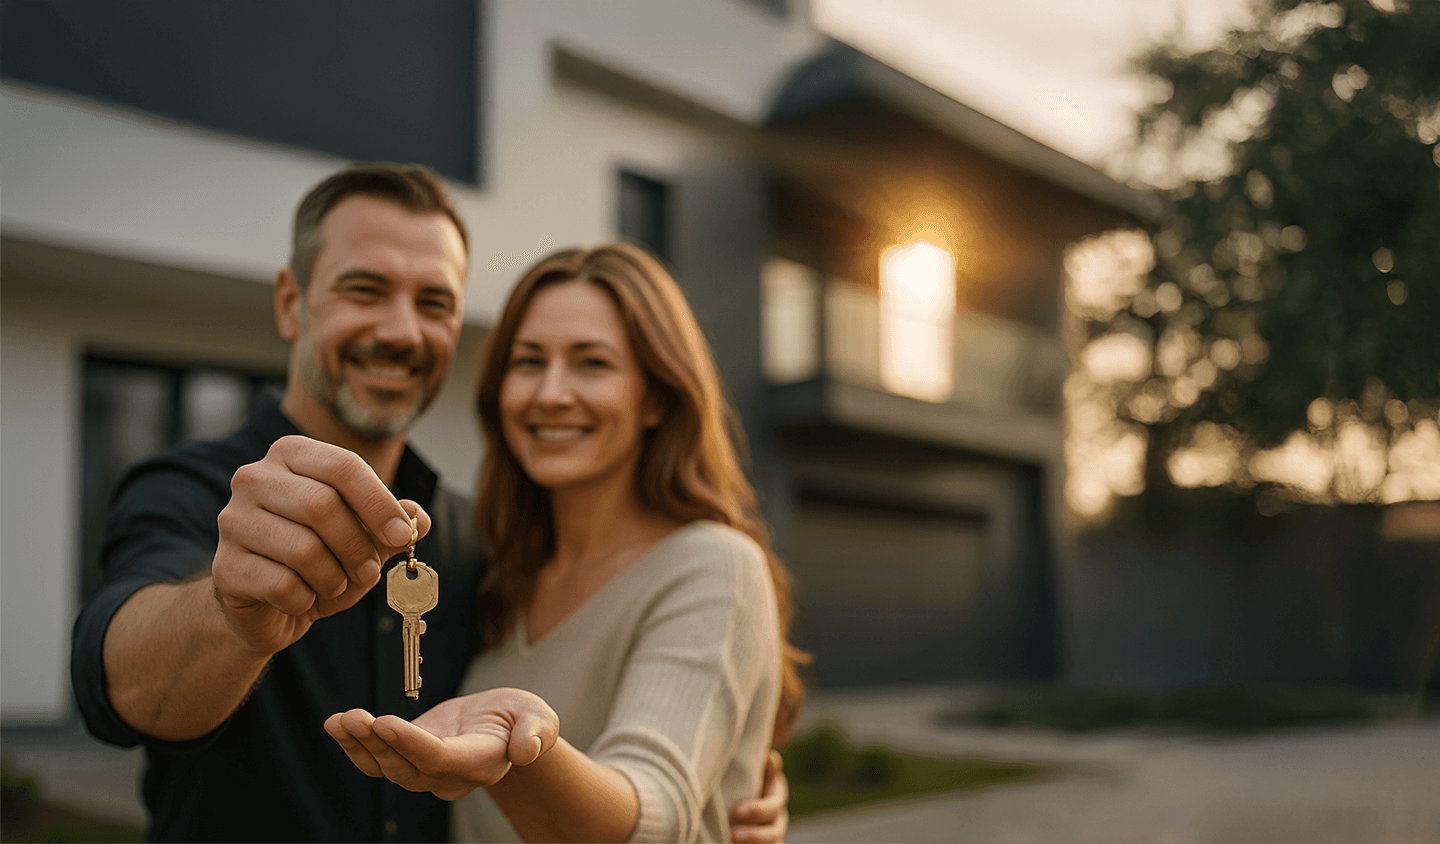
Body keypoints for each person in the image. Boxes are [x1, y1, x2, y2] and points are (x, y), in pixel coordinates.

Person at [70, 165, 789, 843]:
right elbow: (125, 682)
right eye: (365, 289)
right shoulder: (193, 490)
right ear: (291, 305)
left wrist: (716, 801)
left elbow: (650, 756)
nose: (402, 330)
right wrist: (229, 613)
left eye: (435, 302)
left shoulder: (481, 542)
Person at [325, 243, 808, 843]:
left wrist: (518, 752)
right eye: (528, 362)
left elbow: (654, 810)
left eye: (592, 363)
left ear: (656, 397)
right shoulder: (499, 569)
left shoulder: (713, 565)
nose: (551, 393)